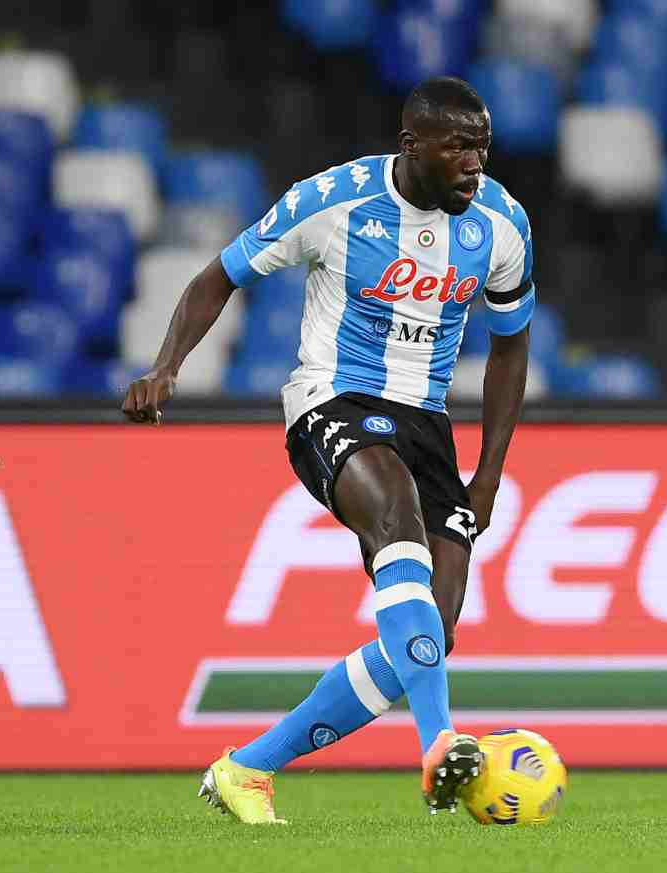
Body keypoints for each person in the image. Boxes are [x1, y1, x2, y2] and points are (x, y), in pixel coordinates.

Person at [122, 76, 535, 824]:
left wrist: (489, 474)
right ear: (412, 146)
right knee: (397, 523)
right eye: (459, 148)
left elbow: (511, 349)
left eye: (483, 148)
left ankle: (245, 770)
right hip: (332, 401)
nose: (476, 164)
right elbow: (219, 276)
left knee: (426, 641)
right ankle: (441, 744)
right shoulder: (332, 201)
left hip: (427, 425)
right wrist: (166, 366)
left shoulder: (503, 224)